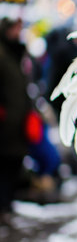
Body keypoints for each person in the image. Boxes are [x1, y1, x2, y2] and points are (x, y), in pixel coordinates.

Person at [0, 18, 32, 222]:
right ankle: (3, 206)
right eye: (15, 28)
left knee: (14, 163)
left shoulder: (17, 52)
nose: (18, 32)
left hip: (18, 121)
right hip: (4, 122)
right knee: (3, 165)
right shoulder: (3, 54)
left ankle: (8, 204)